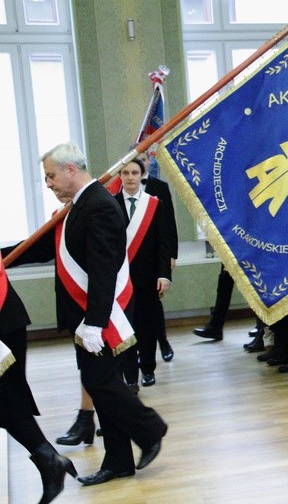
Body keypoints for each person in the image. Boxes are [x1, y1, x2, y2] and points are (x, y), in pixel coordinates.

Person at [4, 142, 168, 486]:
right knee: (98, 381)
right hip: (84, 317)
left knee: (99, 381)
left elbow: (103, 270)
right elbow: (42, 247)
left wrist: (95, 323)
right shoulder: (76, 206)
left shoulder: (99, 206)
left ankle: (150, 429)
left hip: (100, 317)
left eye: (50, 175)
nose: (48, 183)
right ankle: (119, 460)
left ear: (70, 170)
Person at [0, 253, 77, 503]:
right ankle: (51, 461)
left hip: (3, 321)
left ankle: (51, 461)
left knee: (8, 401)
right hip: (7, 318)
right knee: (8, 402)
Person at [115, 158, 172, 388]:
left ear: (142, 175)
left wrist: (164, 274)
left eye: (134, 173)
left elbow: (163, 243)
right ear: (120, 176)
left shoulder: (154, 204)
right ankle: (130, 376)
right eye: (126, 173)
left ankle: (148, 369)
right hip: (120, 279)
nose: (130, 177)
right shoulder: (110, 204)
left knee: (148, 326)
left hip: (148, 277)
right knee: (126, 327)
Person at [135, 149, 177, 362]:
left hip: (156, 256)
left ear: (149, 161)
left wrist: (172, 253)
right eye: (137, 160)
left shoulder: (160, 187)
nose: (141, 164)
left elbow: (169, 223)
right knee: (139, 307)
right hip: (134, 258)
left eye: (144, 159)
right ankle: (141, 349)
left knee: (154, 304)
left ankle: (163, 341)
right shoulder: (121, 189)